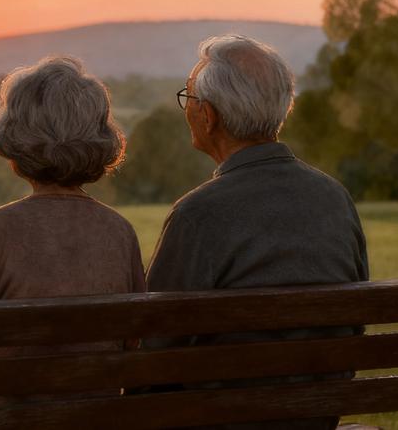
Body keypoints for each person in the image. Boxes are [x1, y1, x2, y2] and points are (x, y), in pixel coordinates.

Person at [145, 34, 369, 430]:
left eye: (189, 98)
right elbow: (354, 322)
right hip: (315, 418)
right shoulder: (336, 200)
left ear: (209, 116)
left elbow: (153, 351)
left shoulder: (197, 215)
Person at [0, 56, 146, 358]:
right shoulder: (120, 232)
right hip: (93, 404)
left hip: (2, 405)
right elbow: (133, 342)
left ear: (14, 139)